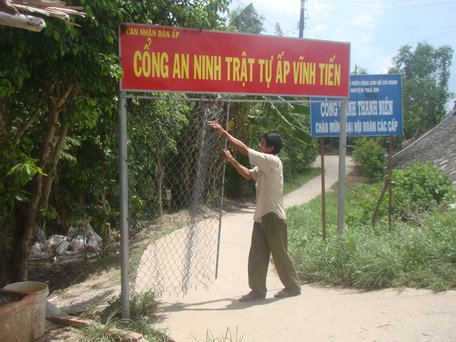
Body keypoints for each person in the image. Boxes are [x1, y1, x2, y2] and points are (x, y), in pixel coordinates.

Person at [208, 120, 301, 302]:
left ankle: (292, 287)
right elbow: (248, 175)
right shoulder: (264, 166)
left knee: (280, 253)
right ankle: (257, 291)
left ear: (270, 148)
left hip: (273, 215)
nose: (259, 145)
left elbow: (244, 149)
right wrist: (232, 161)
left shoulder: (272, 161)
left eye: (262, 143)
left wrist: (224, 133)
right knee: (257, 255)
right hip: (261, 216)